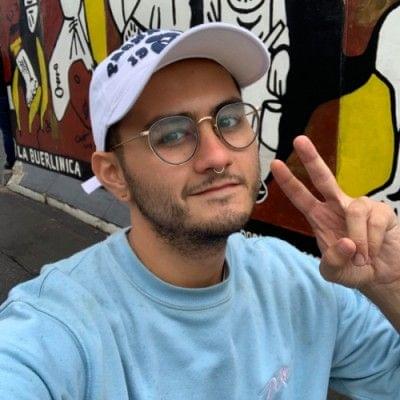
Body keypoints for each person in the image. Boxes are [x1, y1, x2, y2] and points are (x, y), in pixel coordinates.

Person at [0, 23, 399, 400]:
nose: (217, 156)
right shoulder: (58, 327)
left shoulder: (295, 280)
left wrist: (392, 287)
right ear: (115, 175)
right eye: (172, 134)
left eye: (229, 119)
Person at [0, 55, 16, 169]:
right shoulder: (2, 54)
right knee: (16, 126)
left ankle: (11, 160)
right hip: (9, 93)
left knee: (6, 132)